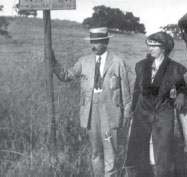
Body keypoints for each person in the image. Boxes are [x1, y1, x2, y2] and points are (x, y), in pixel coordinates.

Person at [52, 27, 135, 177]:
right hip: (90, 111)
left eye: (97, 42)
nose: (93, 46)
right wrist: (53, 61)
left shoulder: (117, 61)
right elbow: (66, 75)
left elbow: (126, 90)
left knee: (110, 150)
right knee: (96, 151)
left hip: (110, 111)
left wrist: (127, 113)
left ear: (106, 42)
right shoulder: (84, 61)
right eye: (92, 42)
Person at [125, 32, 187, 177]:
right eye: (149, 45)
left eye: (154, 46)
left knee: (163, 147)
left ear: (163, 48)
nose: (150, 48)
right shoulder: (141, 66)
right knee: (140, 146)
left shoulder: (174, 68)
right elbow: (136, 90)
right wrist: (132, 109)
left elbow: (182, 86)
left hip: (163, 110)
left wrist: (181, 94)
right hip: (142, 111)